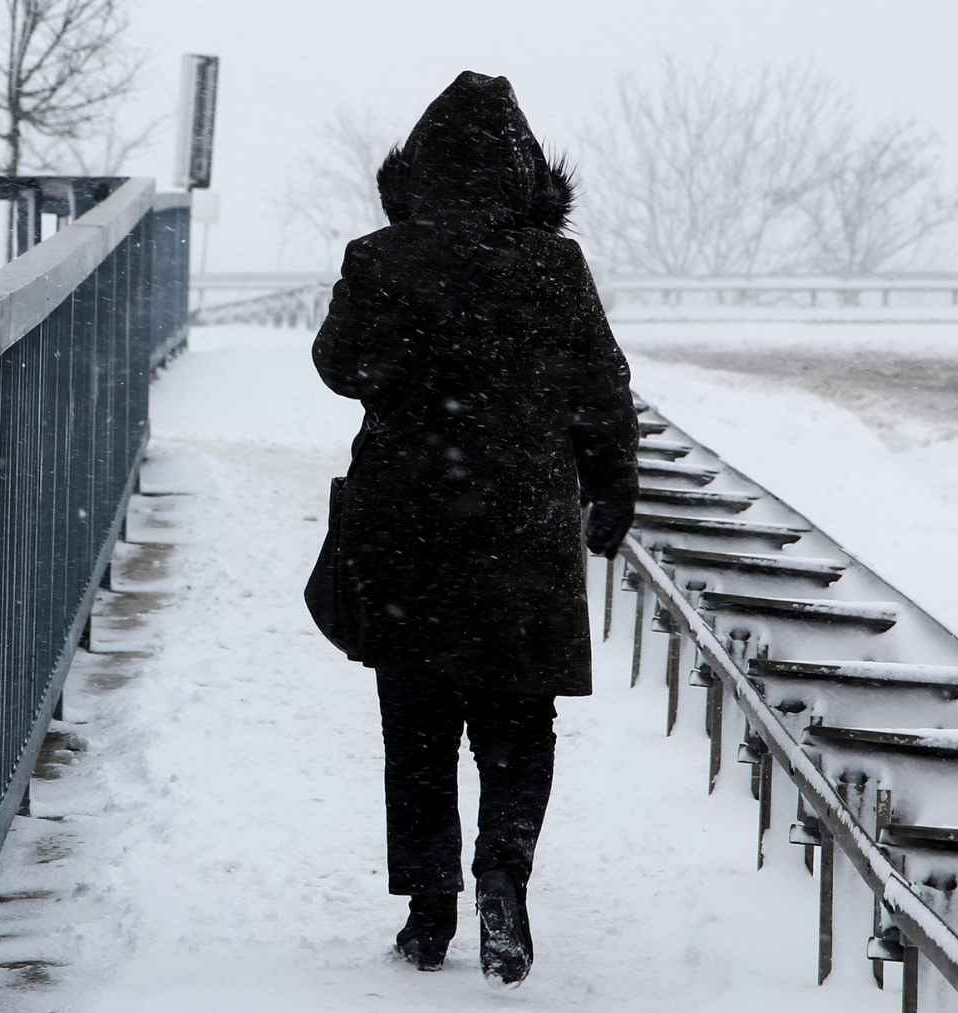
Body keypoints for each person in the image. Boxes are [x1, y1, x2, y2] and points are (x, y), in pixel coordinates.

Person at [309, 71, 640, 987]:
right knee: (517, 716)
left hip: (408, 525)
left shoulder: (378, 258)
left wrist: (410, 356)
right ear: (526, 175)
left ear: (417, 171)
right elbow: (602, 387)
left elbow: (338, 367)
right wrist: (612, 491)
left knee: (415, 720)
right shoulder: (553, 266)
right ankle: (504, 872)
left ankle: (428, 911)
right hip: (521, 526)